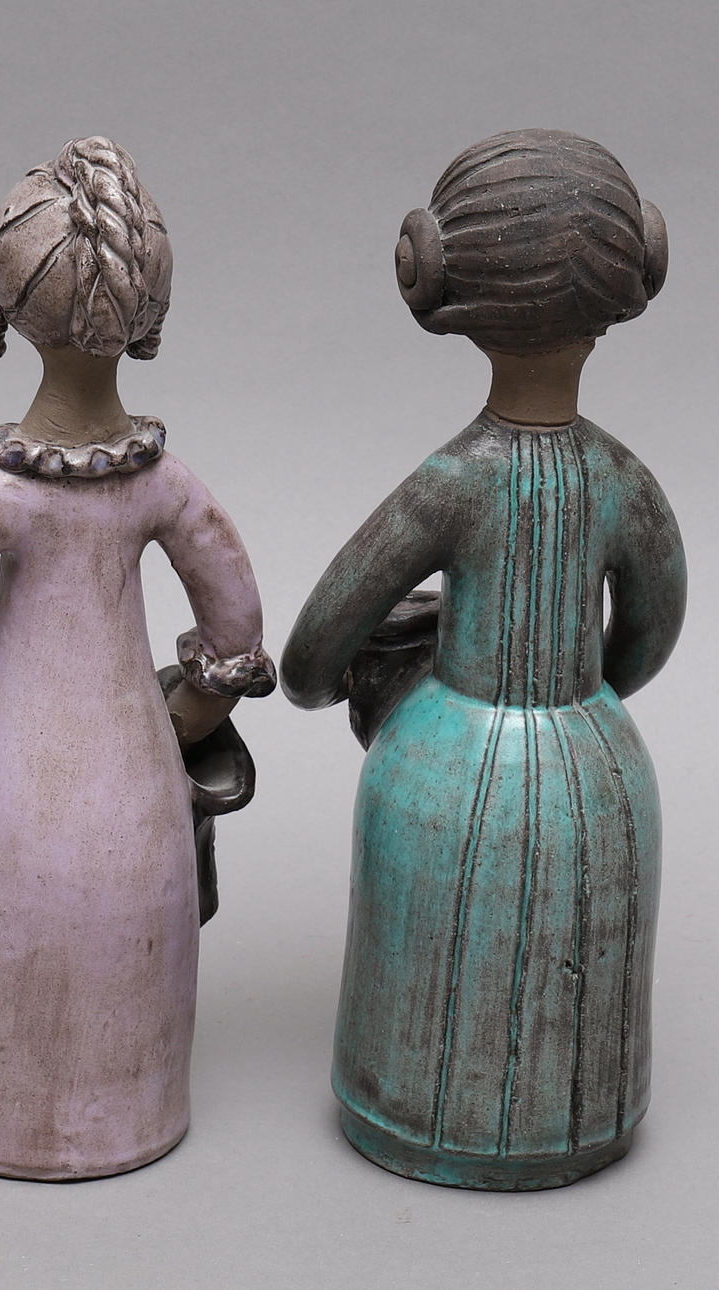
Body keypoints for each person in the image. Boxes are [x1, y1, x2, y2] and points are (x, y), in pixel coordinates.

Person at [0, 137, 275, 1179]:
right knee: (122, 936)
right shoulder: (166, 489)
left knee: (2, 937)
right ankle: (126, 1112)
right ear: (150, 313)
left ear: (3, 306)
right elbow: (236, 631)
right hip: (132, 778)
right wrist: (173, 727)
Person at [282, 130, 685, 1189]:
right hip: (600, 769)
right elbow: (652, 633)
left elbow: (312, 656)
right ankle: (581, 1116)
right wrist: (583, 702)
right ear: (637, 274)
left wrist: (390, 686)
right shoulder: (624, 482)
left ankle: (407, 1109)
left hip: (444, 766)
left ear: (438, 278)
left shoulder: (453, 482)